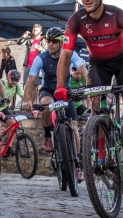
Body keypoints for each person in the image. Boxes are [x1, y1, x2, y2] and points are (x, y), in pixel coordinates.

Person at [56, 0, 123, 183]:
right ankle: (101, 155)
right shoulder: (75, 21)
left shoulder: (119, 15)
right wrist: (60, 87)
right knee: (96, 107)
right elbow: (65, 56)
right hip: (98, 64)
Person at [23, 27, 88, 167]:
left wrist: (90, 84)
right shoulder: (41, 58)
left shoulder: (69, 53)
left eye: (54, 41)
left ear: (61, 43)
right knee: (46, 105)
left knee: (74, 125)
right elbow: (31, 80)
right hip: (48, 90)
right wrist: (26, 100)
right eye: (48, 41)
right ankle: (48, 135)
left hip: (65, 90)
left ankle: (77, 164)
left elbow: (82, 68)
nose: (50, 44)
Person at [0, 69, 24, 135]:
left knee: (13, 123)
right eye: (13, 79)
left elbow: (25, 98)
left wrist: (31, 107)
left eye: (17, 80)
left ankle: (8, 145)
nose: (15, 82)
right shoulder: (1, 85)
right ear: (8, 78)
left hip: (2, 108)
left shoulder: (17, 86)